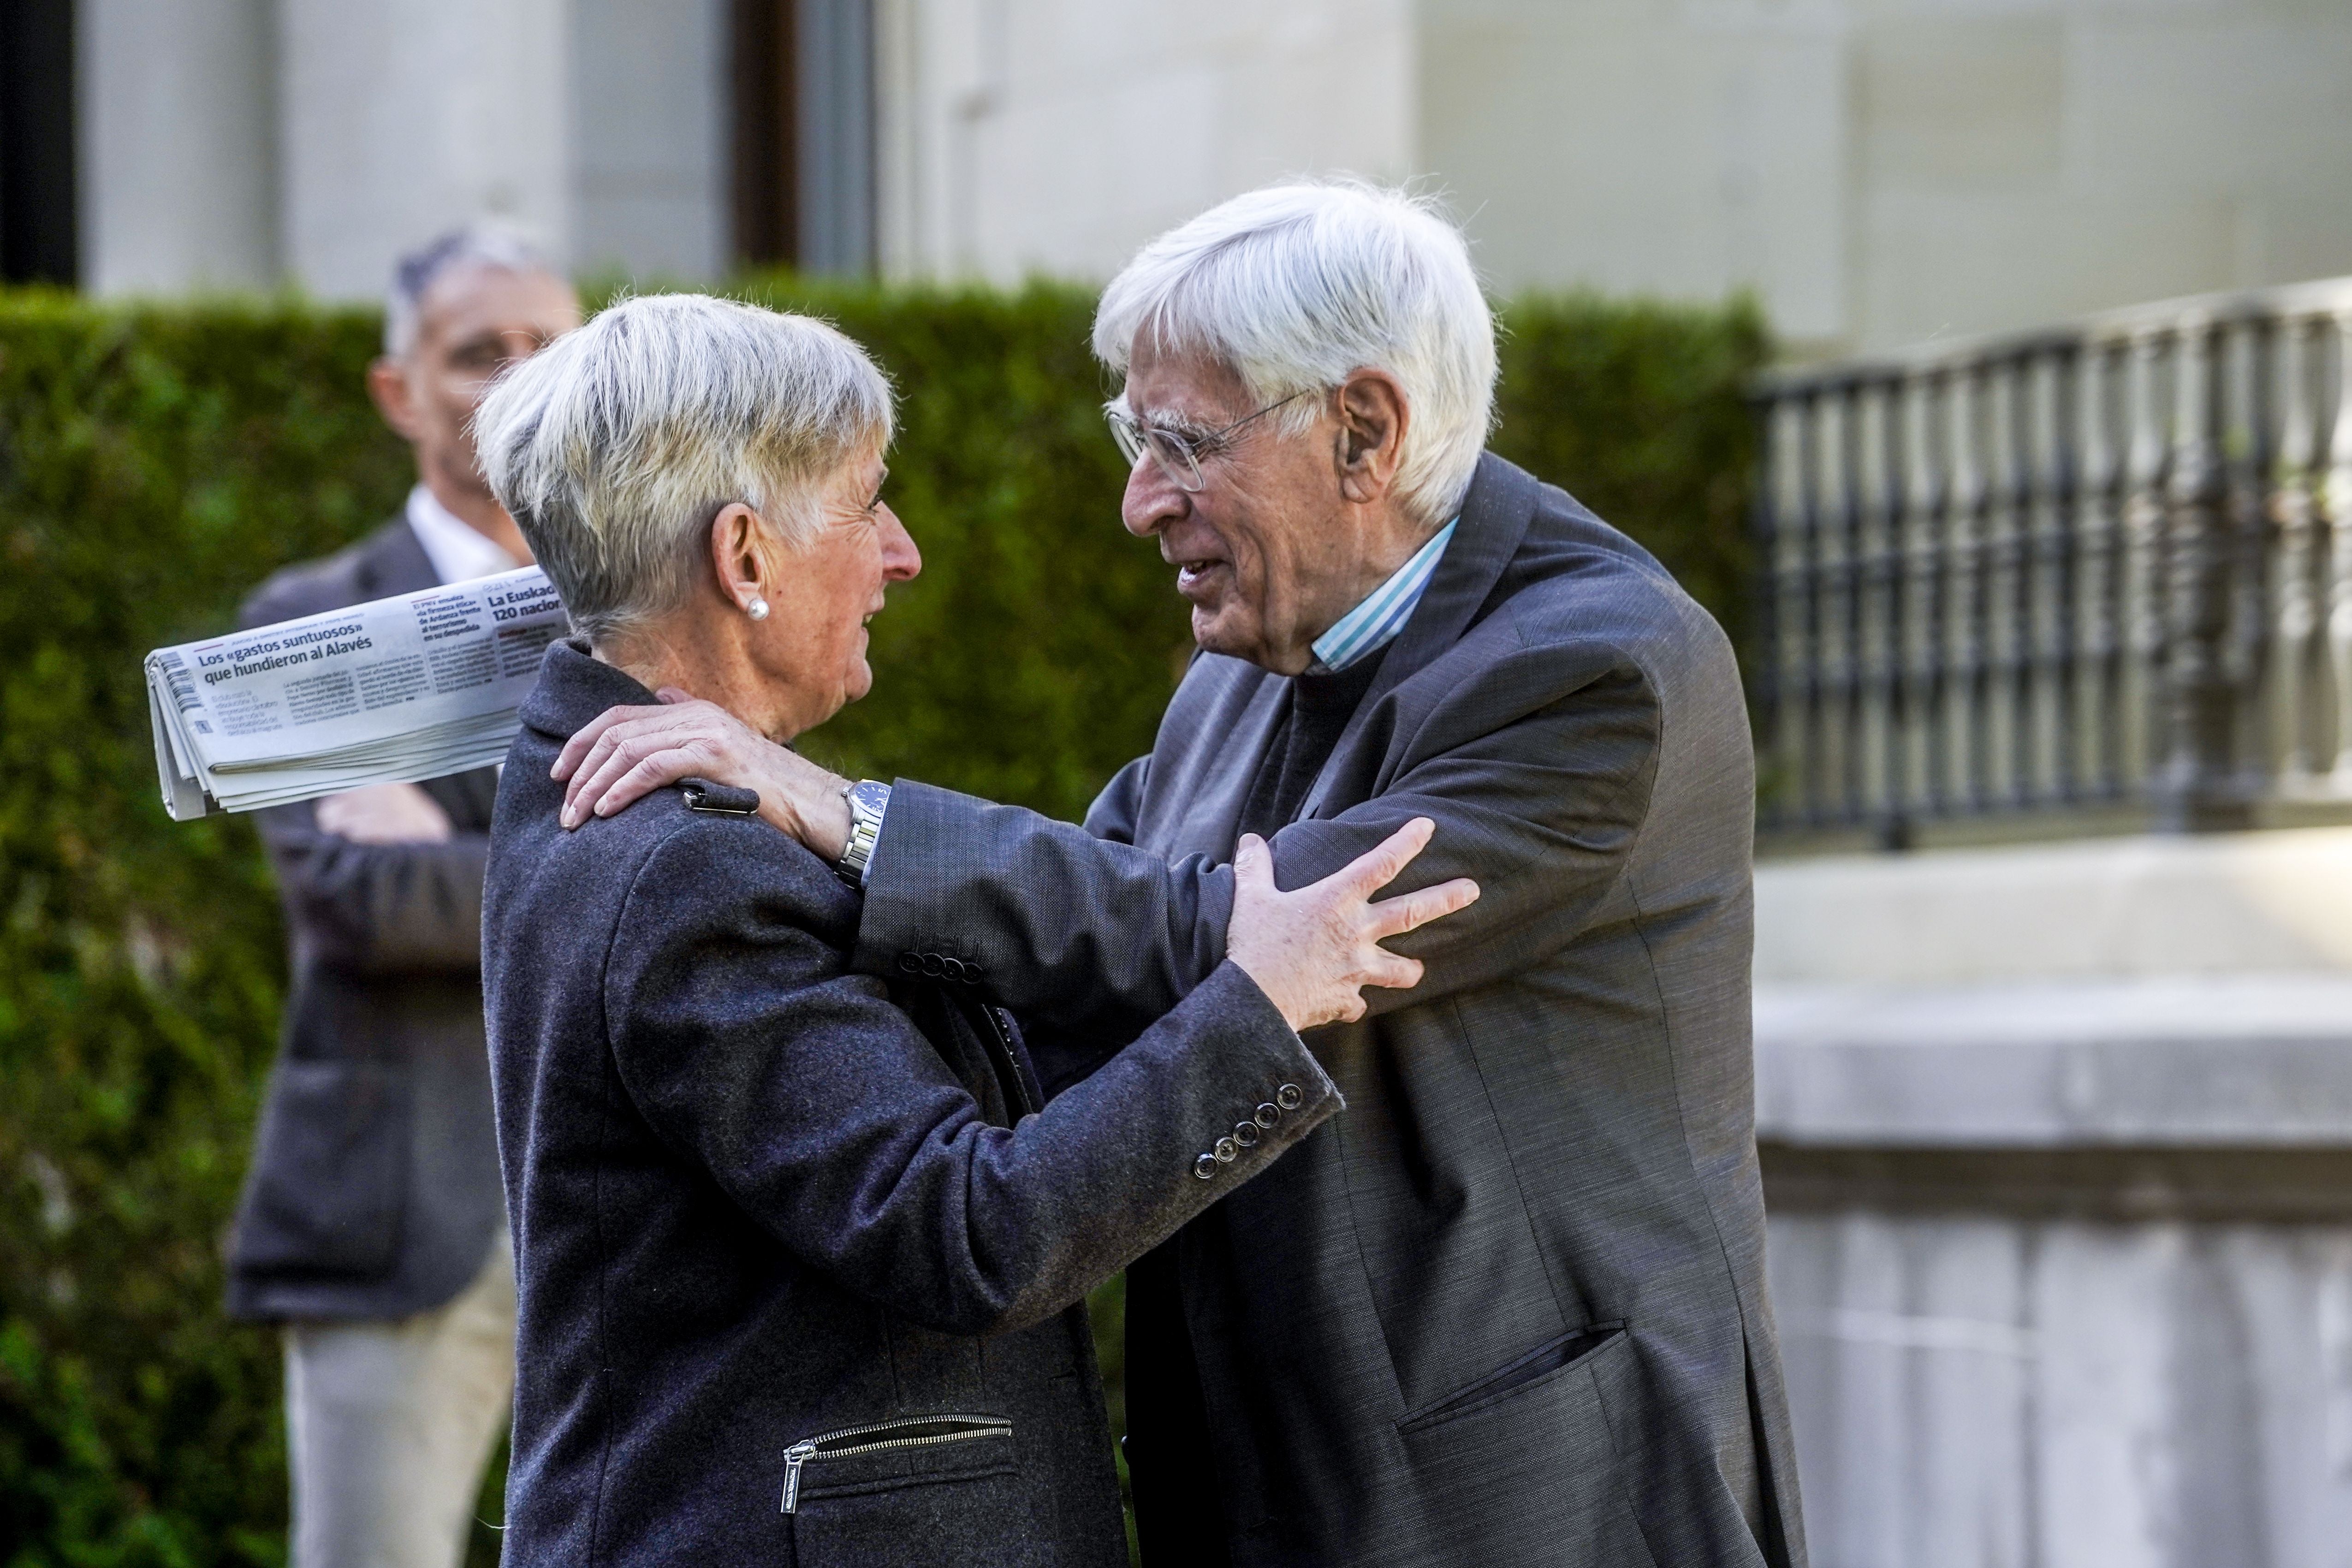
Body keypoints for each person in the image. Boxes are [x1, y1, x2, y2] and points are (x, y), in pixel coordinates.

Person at [557, 180, 1808, 1567]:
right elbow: (1068, 958)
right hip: (1265, 1470)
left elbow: (1241, 941)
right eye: (1130, 437)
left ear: (1363, 432)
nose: (1138, 502)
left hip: (1522, 1500)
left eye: (1181, 444)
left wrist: (846, 815)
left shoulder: (1598, 672)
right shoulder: (1250, 650)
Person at [466, 291, 1477, 1566]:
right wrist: (1257, 1007)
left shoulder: (600, 786)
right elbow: (964, 1232)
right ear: (745, 560)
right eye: (866, 500)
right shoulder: (684, 865)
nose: (902, 553)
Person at [223, 225, 582, 1568]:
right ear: (399, 391)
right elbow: (356, 908)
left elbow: (705, 873)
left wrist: (441, 848)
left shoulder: (645, 609)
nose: (517, 379)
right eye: (477, 353)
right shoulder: (307, 618)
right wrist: (592, 859)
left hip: (625, 1211)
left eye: (548, 347)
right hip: (400, 1217)